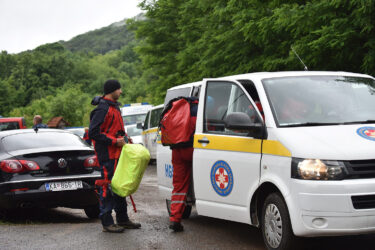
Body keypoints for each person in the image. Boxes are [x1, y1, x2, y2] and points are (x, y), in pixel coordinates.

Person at [89, 79, 141, 233]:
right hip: (107, 155)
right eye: (119, 89)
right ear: (112, 90)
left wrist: (125, 140)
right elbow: (93, 133)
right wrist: (114, 141)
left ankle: (123, 219)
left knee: (119, 185)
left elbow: (117, 130)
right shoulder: (102, 109)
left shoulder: (115, 108)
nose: (121, 92)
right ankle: (107, 222)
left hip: (119, 154)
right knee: (107, 185)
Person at [169, 97, 198, 232]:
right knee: (203, 178)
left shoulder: (178, 108)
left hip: (176, 150)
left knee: (179, 187)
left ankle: (175, 218)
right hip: (192, 149)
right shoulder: (199, 109)